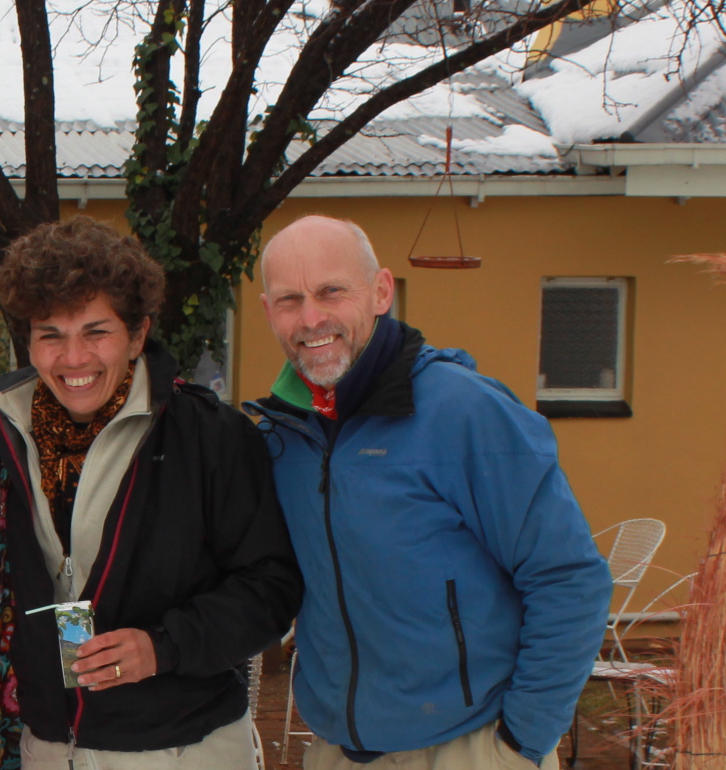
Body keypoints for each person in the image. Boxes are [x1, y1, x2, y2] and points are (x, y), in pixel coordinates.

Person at [247, 216, 611, 770]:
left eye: (331, 291)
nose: (311, 318)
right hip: (338, 751)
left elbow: (569, 578)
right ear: (268, 311)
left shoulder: (464, 412)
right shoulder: (283, 436)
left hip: (469, 747)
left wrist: (521, 743)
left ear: (381, 292)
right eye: (289, 300)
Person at [0, 216, 302, 769]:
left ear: (138, 334)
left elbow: (272, 588)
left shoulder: (211, 437)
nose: (73, 358)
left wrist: (164, 646)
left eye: (96, 332)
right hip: (49, 748)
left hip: (183, 749)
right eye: (51, 334)